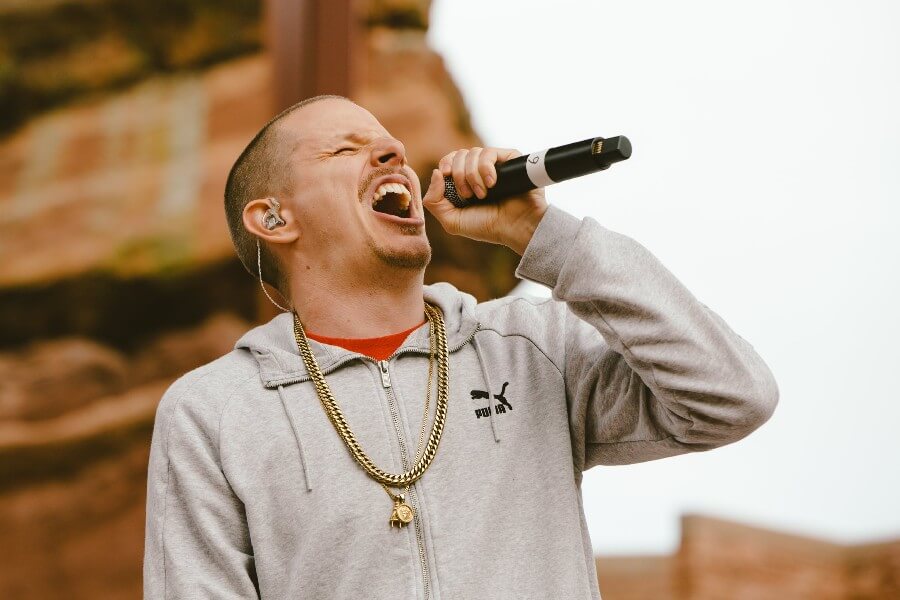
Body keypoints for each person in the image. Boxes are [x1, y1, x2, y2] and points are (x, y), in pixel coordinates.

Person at [143, 95, 778, 599]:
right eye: (345, 148)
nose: (394, 150)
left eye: (391, 143)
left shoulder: (532, 346)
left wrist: (543, 236)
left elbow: (734, 397)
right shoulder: (214, 411)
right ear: (274, 219)